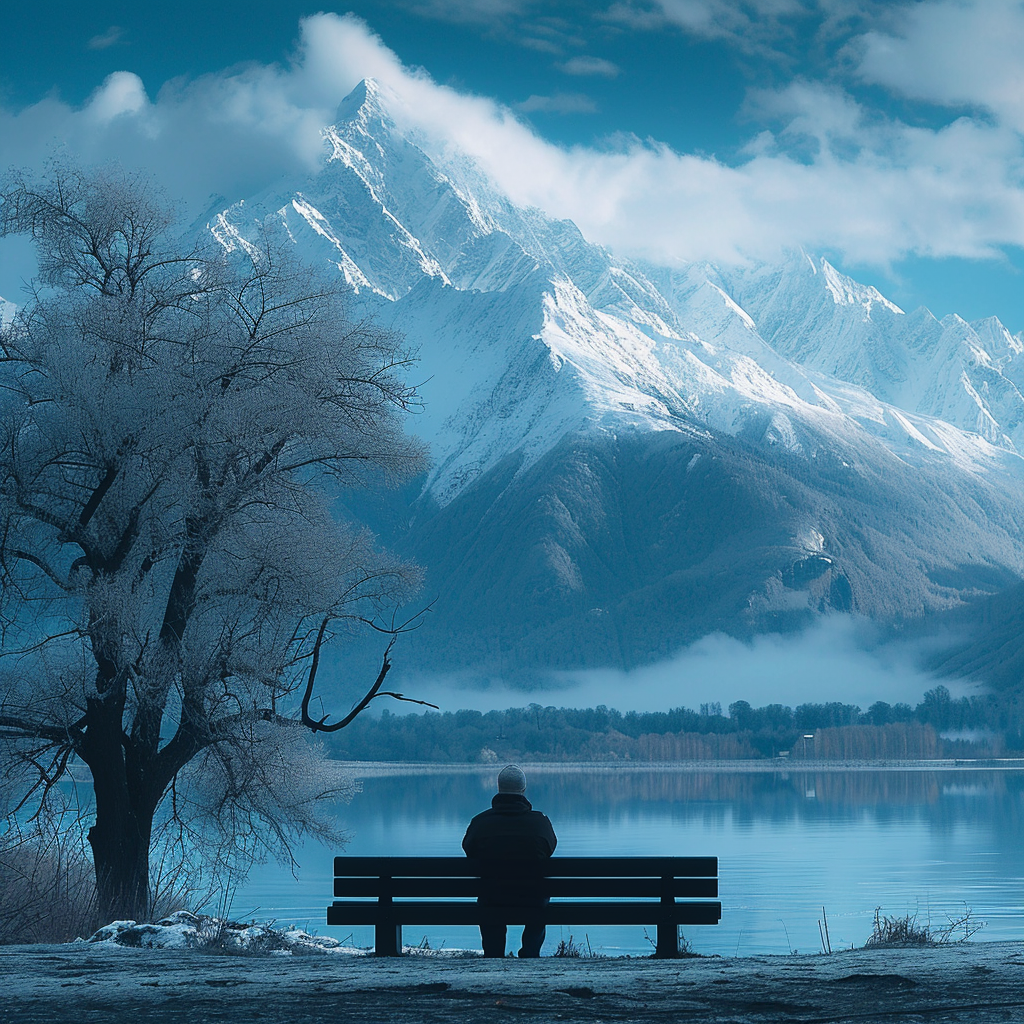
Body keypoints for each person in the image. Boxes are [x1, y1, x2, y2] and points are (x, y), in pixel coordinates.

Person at [462, 764, 557, 958]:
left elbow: (469, 851)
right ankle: (530, 953)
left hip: (492, 898)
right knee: (541, 899)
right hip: (533, 899)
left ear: (498, 788)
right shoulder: (540, 822)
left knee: (488, 901)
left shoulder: (480, 822)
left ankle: (494, 953)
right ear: (523, 790)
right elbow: (549, 849)